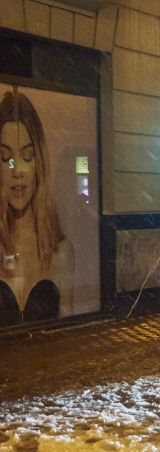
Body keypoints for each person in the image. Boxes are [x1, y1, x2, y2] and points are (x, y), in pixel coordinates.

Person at [0, 89, 73, 326]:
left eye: (27, 157)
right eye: (6, 159)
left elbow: (67, 332)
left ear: (39, 163)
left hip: (47, 362)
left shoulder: (60, 251)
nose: (17, 171)